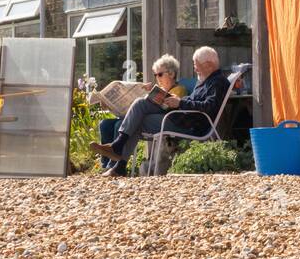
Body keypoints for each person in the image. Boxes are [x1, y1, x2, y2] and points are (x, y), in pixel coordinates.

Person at [93, 47, 229, 176]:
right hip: (181, 116)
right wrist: (177, 100)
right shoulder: (205, 81)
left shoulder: (218, 82)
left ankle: (119, 158)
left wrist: (180, 102)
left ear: (209, 65)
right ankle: (119, 156)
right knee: (141, 103)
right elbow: (195, 101)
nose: (195, 68)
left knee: (139, 119)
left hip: (189, 125)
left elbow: (209, 107)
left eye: (196, 64)